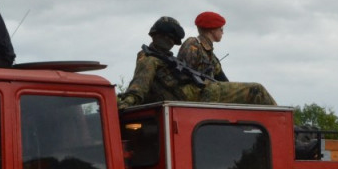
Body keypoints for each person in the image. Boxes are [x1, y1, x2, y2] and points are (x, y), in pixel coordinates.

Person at [118, 17, 276, 109]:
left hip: (195, 93)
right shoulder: (150, 59)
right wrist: (127, 101)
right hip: (196, 96)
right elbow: (139, 86)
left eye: (172, 41)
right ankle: (291, 131)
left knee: (251, 94)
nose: (170, 43)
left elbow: (222, 79)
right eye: (168, 39)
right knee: (256, 90)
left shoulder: (164, 58)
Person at [178, 11, 228, 81]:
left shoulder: (209, 53)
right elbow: (182, 76)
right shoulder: (193, 45)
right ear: (212, 30)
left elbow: (223, 80)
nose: (222, 32)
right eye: (221, 29)